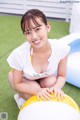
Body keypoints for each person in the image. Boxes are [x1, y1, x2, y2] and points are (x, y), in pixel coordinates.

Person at [7, 9, 70, 109]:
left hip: (45, 78)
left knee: (51, 82)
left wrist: (56, 88)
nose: (34, 37)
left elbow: (62, 76)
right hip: (23, 79)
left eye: (37, 29)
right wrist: (37, 91)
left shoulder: (61, 48)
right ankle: (20, 98)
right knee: (36, 94)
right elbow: (17, 83)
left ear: (47, 27)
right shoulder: (19, 54)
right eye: (28, 32)